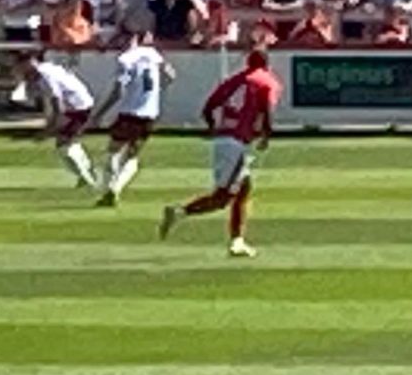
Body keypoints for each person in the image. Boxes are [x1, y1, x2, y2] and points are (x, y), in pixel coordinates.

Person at [159, 47, 280, 260]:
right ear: (266, 64)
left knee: (243, 190)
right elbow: (266, 110)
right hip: (237, 143)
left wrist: (214, 127)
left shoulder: (234, 81)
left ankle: (237, 241)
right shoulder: (266, 81)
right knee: (223, 198)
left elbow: (208, 108)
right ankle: (179, 212)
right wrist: (266, 135)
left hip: (224, 138)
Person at [91, 28, 170, 209]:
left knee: (113, 151)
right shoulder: (152, 54)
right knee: (132, 155)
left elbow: (119, 89)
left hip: (130, 111)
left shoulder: (126, 59)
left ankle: (111, 189)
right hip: (150, 113)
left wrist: (100, 113)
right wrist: (155, 92)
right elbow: (170, 75)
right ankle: (116, 188)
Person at [28, 51, 100, 191]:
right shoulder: (46, 68)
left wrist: (50, 128)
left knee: (64, 145)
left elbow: (57, 102)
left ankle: (87, 178)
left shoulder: (44, 75)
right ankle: (87, 172)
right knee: (69, 142)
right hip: (80, 103)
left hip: (77, 106)